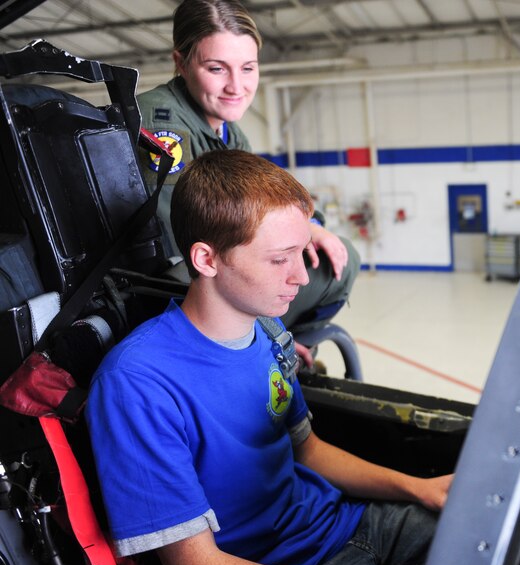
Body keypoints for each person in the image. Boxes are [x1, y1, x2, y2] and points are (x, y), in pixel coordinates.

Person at [86, 150, 450, 565]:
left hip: (341, 524)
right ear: (206, 260)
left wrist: (417, 488)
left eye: (302, 252)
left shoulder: (269, 330)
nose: (300, 276)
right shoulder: (137, 384)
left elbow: (308, 451)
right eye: (280, 259)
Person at [137, 0, 357, 350]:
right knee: (338, 263)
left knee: (329, 251)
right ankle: (259, 342)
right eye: (217, 69)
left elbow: (263, 208)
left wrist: (312, 229)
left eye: (248, 68)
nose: (236, 86)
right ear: (181, 63)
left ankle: (266, 341)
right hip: (173, 282)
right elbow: (192, 241)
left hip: (214, 270)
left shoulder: (229, 132)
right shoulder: (161, 126)